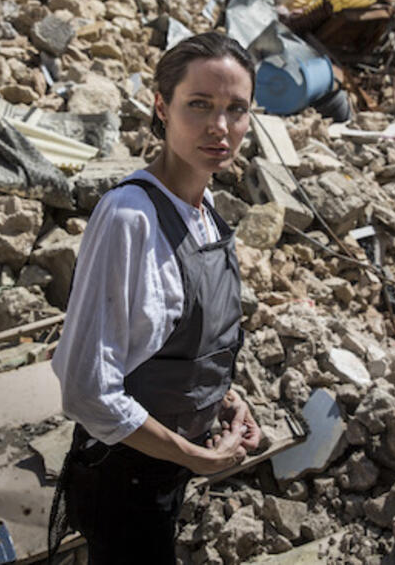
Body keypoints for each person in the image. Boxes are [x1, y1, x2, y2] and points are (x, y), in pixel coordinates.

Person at [48, 32, 263, 564]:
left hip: (166, 470)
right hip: (124, 480)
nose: (220, 126)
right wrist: (190, 453)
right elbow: (86, 389)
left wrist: (225, 399)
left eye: (236, 109)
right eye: (200, 105)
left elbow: (172, 345)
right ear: (161, 108)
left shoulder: (205, 208)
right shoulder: (129, 218)